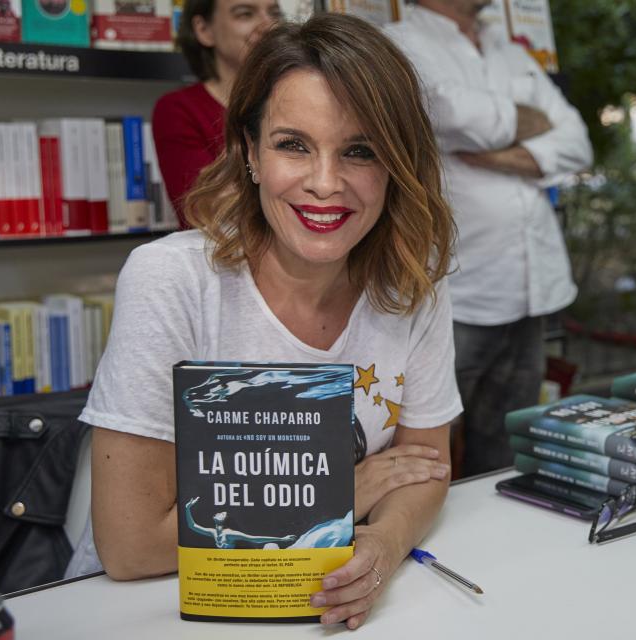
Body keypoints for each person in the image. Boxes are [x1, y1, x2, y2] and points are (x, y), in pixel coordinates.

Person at [80, 14, 461, 630]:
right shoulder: (171, 279)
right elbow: (131, 547)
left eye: (360, 151)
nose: (325, 184)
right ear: (250, 152)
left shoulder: (415, 283)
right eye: (293, 145)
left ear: (397, 164)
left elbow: (425, 468)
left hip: (326, 602)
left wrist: (384, 545)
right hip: (148, 609)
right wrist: (347, 492)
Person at [385, 0, 593, 476]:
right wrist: (527, 124)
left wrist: (493, 154)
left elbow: (576, 141)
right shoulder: (399, 45)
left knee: (507, 449)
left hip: (528, 291)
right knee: (424, 452)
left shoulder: (509, 50)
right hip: (453, 292)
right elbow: (448, 114)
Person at [152, 0, 282, 227]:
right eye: (245, 14)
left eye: (274, 13)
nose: (268, 25)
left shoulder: (295, 103)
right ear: (204, 30)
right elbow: (206, 207)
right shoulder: (178, 109)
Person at [184, 497, 298, 549]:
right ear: (214, 517)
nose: (220, 513)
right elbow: (192, 526)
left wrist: (281, 539)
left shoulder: (229, 533)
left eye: (223, 514)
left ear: (224, 520)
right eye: (220, 513)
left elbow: (254, 539)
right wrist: (187, 508)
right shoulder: (212, 532)